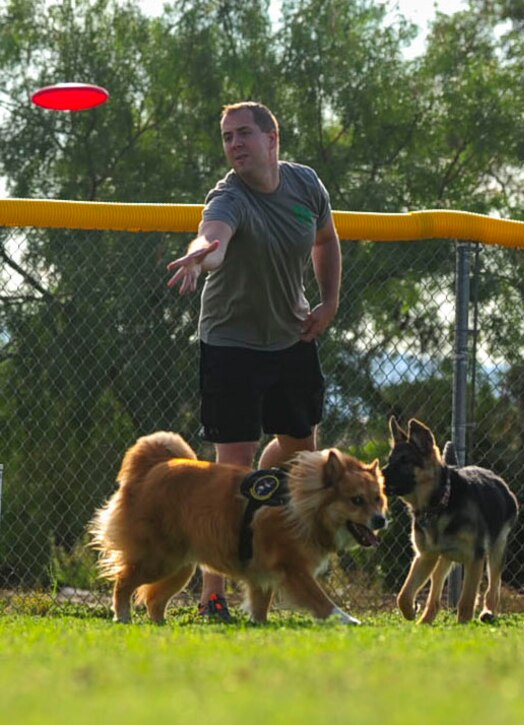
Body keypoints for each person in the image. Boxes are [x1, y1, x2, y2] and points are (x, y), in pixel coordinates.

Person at [166, 101, 342, 621]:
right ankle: (212, 597)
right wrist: (202, 252)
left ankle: (276, 547)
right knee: (231, 470)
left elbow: (326, 240)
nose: (234, 144)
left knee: (298, 454)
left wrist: (328, 302)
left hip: (291, 337)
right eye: (226, 137)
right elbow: (214, 237)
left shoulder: (306, 184)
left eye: (243, 134)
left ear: (272, 139)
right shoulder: (228, 195)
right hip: (231, 343)